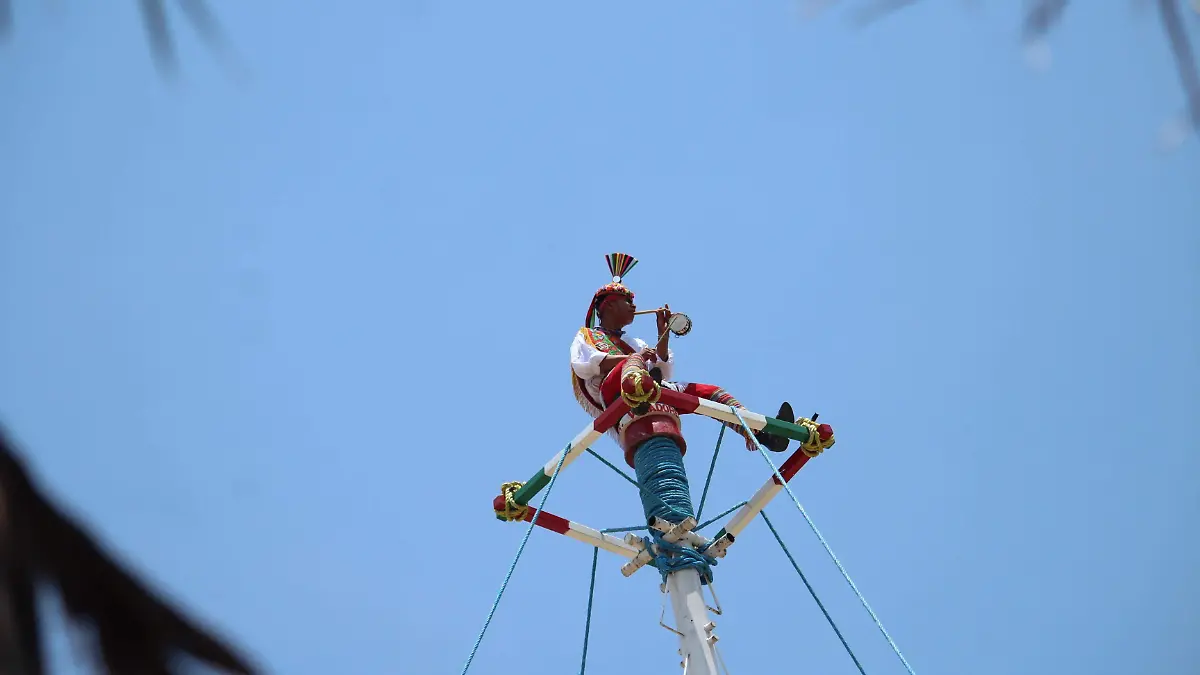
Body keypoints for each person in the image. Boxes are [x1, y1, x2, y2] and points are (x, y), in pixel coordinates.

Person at [570, 253, 793, 458]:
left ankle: (763, 435)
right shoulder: (588, 335)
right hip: (614, 393)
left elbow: (662, 368)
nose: (634, 306)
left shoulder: (631, 342)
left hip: (649, 384)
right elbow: (587, 366)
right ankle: (639, 393)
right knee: (635, 362)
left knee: (711, 393)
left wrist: (663, 332)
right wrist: (636, 359)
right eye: (627, 301)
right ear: (609, 305)